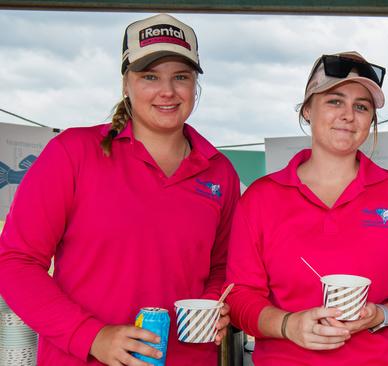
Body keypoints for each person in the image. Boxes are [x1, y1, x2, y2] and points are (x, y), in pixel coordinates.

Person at [0, 13, 239, 365]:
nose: (167, 91)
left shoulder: (220, 173)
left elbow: (222, 269)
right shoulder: (73, 153)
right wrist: (91, 336)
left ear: (194, 86)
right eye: (150, 76)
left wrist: (215, 304)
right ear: (126, 83)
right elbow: (15, 263)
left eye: (181, 77)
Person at [225, 51, 388, 365]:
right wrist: (289, 326)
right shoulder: (261, 198)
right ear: (307, 110)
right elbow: (240, 296)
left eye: (361, 106)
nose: (348, 115)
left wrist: (380, 315)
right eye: (334, 101)